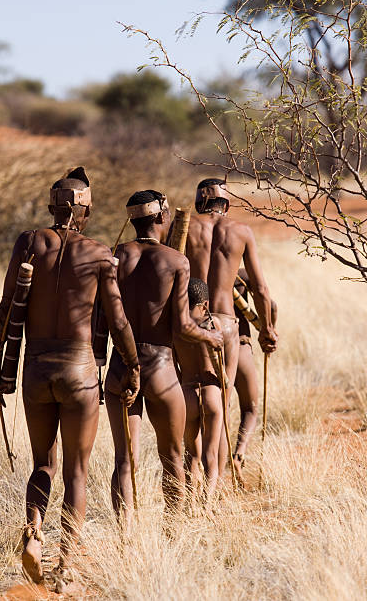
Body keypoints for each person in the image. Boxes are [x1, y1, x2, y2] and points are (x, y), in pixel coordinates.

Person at [0, 167, 140, 590]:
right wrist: (132, 364)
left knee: (42, 464)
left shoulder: (29, 243)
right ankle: (65, 565)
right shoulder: (100, 253)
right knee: (76, 471)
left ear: (52, 206)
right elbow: (119, 319)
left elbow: (5, 309)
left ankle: (33, 531)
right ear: (86, 211)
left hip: (34, 370)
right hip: (80, 373)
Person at [103, 190, 223, 530]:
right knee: (171, 457)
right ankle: (175, 531)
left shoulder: (114, 256)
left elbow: (103, 317)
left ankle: (126, 537)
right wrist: (210, 336)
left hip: (120, 367)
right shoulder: (176, 261)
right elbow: (183, 325)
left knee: (125, 460)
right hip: (160, 369)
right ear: (161, 217)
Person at [185, 178, 278, 482]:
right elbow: (262, 289)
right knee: (221, 408)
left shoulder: (186, 227)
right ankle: (214, 486)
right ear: (225, 203)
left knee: (190, 398)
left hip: (191, 322)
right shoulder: (241, 231)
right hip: (226, 324)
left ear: (200, 202)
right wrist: (266, 330)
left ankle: (192, 471)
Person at [173, 278, 235, 510]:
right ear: (205, 303)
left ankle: (190, 502)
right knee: (211, 452)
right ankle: (207, 503)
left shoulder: (178, 329)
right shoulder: (214, 326)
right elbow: (226, 369)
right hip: (211, 392)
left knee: (191, 453)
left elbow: (175, 367)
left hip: (187, 392)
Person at [231, 268, 278, 486]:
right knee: (250, 409)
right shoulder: (239, 275)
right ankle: (238, 454)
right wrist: (268, 330)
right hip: (240, 346)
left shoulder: (197, 273)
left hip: (206, 347)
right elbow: (271, 305)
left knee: (215, 412)